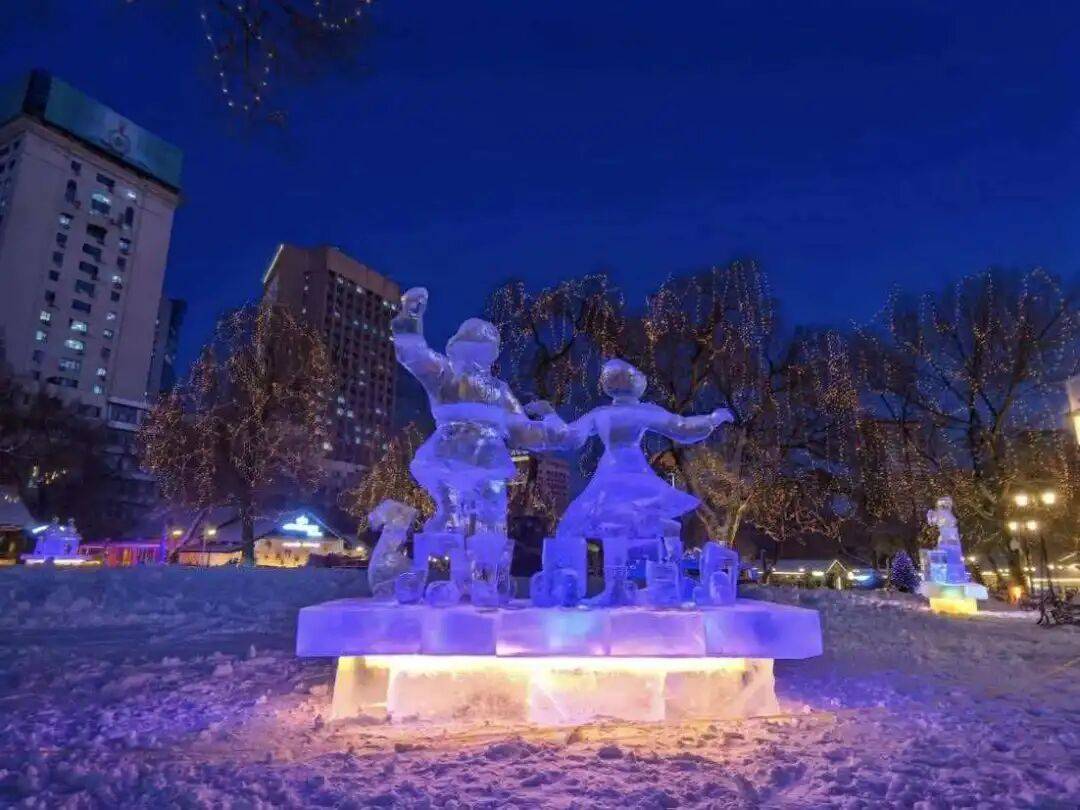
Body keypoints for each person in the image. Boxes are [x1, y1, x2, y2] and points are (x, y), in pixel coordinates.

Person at [391, 287, 563, 536]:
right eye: (473, 347)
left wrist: (551, 422)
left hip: (486, 458)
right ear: (458, 347)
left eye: (484, 349)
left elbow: (524, 432)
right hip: (450, 451)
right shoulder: (445, 375)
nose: (477, 355)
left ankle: (480, 543)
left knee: (489, 519)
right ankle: (449, 515)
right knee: (454, 501)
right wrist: (410, 318)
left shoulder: (498, 391)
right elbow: (414, 355)